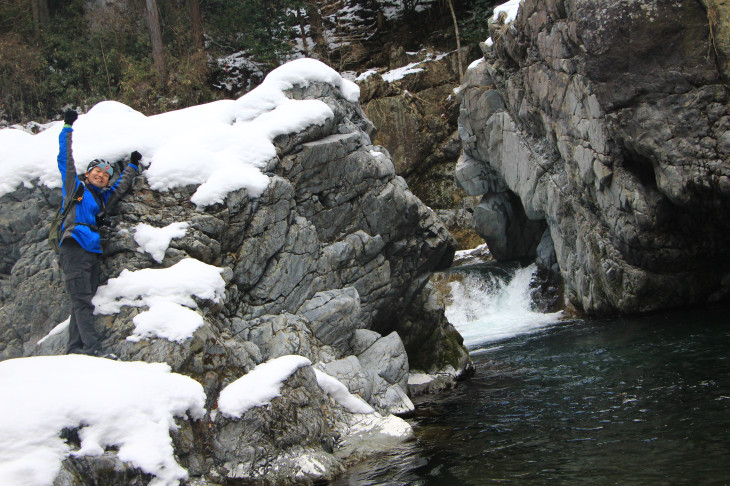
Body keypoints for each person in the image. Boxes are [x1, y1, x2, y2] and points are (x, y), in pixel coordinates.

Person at [57, 109, 141, 358]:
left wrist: (132, 166)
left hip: (91, 252)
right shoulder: (75, 187)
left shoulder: (103, 198)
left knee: (81, 303)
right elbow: (65, 160)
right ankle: (93, 350)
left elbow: (120, 187)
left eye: (105, 175)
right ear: (88, 174)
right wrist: (66, 128)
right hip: (74, 247)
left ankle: (74, 349)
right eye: (98, 172)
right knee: (82, 301)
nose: (102, 176)